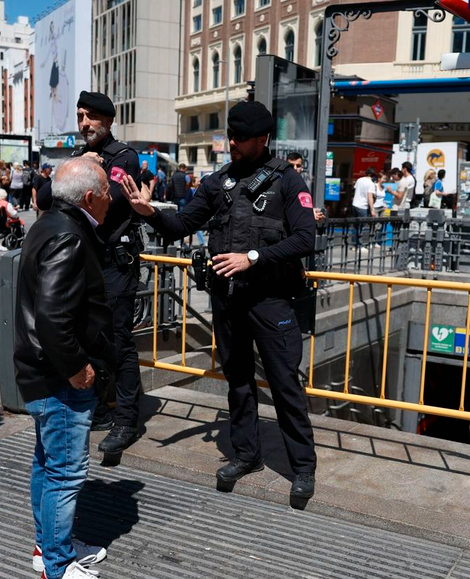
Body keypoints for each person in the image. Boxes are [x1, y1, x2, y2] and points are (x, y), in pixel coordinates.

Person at [120, 100, 318, 509]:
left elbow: (305, 239)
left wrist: (253, 258)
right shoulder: (216, 183)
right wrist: (148, 212)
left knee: (284, 386)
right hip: (229, 303)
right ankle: (246, 455)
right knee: (239, 384)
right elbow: (180, 225)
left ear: (262, 139)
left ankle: (302, 468)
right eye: (230, 135)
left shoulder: (287, 181)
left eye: (241, 138)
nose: (232, 143)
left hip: (271, 301)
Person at [14, 158, 112, 579]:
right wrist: (79, 370)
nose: (112, 198)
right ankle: (56, 564)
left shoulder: (49, 222)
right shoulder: (69, 236)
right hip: (58, 379)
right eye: (107, 191)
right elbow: (53, 317)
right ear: (89, 197)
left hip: (41, 373)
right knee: (66, 473)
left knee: (48, 464)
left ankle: (49, 546)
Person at [37, 91, 146, 454]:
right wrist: (80, 162)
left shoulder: (123, 157)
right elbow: (43, 196)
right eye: (80, 115)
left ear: (109, 120)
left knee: (120, 341)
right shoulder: (80, 158)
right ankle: (98, 409)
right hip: (86, 263)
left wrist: (79, 173)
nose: (84, 123)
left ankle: (127, 420)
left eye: (92, 117)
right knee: (88, 337)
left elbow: (106, 200)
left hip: (115, 263)